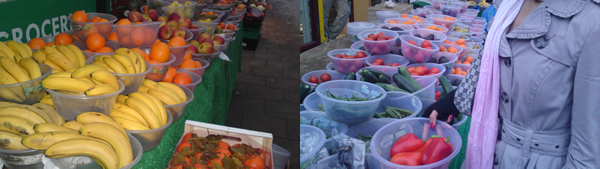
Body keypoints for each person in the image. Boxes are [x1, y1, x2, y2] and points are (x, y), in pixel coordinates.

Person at [424, 0, 600, 168]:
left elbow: (587, 155)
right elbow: (493, 72)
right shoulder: (509, 6)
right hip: (488, 151)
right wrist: (453, 101)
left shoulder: (591, 21)